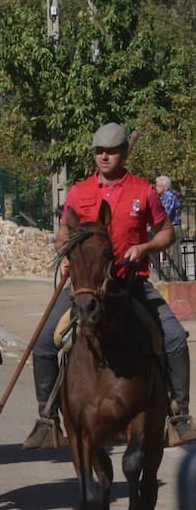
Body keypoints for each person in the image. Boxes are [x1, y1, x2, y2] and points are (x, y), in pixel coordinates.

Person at [24, 123, 196, 447]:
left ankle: (179, 416)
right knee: (44, 342)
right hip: (85, 288)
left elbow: (167, 232)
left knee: (174, 337)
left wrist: (144, 248)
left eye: (111, 151)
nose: (104, 156)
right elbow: (64, 232)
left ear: (124, 152)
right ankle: (48, 420)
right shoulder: (79, 192)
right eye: (99, 151)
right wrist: (66, 253)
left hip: (131, 284)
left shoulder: (143, 191)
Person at [157, 175, 184, 245]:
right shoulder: (162, 197)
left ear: (166, 187)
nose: (157, 188)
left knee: (173, 251)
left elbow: (165, 214)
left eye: (159, 186)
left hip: (172, 228)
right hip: (167, 227)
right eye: (157, 186)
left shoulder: (169, 197)